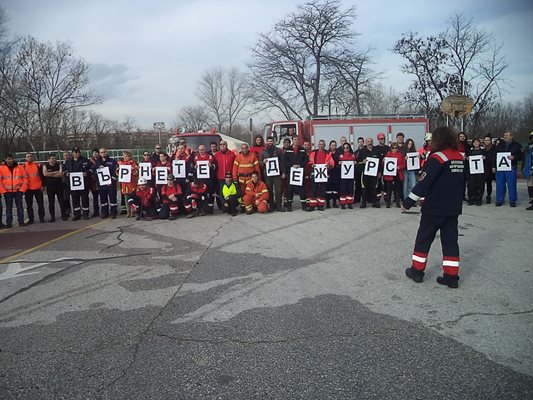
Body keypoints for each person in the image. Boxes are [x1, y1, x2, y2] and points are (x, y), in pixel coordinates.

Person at [402, 126, 465, 289]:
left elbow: (424, 182)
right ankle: (451, 277)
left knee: (424, 239)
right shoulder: (459, 157)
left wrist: (408, 201)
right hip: (453, 208)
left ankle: (417, 272)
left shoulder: (438, 157)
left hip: (435, 207)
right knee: (450, 242)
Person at [493, 131, 522, 207]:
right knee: (500, 184)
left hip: (511, 168)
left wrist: (514, 157)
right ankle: (499, 200)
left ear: (511, 136)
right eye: (504, 135)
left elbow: (521, 156)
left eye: (507, 135)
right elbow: (494, 156)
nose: (505, 137)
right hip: (500, 168)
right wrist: (494, 166)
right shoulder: (499, 145)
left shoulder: (517, 145)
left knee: (511, 185)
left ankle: (512, 201)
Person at [0, 153, 28, 227]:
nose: (11, 160)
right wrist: (3, 191)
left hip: (18, 191)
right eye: (9, 159)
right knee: (9, 208)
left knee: (20, 207)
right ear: (5, 159)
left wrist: (22, 190)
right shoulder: (1, 168)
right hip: (7, 192)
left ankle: (21, 221)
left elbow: (25, 179)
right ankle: (9, 223)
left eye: (12, 158)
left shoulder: (20, 167)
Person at [64, 147, 91, 220]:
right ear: (72, 153)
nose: (77, 153)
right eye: (75, 152)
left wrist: (87, 173)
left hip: (84, 184)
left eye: (78, 152)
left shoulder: (85, 160)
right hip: (73, 185)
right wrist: (66, 173)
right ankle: (76, 214)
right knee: (75, 199)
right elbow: (65, 170)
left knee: (85, 199)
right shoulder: (68, 162)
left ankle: (85, 213)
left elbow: (91, 169)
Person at [308, 139, 335, 211]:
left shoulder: (328, 153)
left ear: (325, 145)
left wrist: (329, 166)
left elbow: (332, 163)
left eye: (322, 144)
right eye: (320, 144)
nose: (321, 145)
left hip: (324, 174)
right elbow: (310, 161)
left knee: (322, 190)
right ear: (318, 145)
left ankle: (321, 205)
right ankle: (312, 206)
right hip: (315, 173)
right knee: (314, 189)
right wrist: (311, 165)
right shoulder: (313, 153)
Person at [260, 136, 285, 212]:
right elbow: (260, 163)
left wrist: (283, 172)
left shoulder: (278, 151)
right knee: (269, 190)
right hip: (268, 174)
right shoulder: (263, 151)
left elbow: (282, 162)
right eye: (268, 141)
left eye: (271, 141)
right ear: (266, 142)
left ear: (273, 142)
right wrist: (263, 162)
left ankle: (279, 205)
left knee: (278, 190)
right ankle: (271, 205)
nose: (270, 142)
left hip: (277, 174)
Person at [92, 148, 119, 218]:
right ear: (99, 153)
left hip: (111, 184)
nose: (103, 153)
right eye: (101, 152)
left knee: (113, 198)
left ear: (106, 152)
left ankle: (113, 212)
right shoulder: (97, 162)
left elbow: (115, 172)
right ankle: (104, 213)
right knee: (103, 200)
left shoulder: (112, 161)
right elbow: (93, 171)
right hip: (102, 184)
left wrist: (111, 180)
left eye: (104, 152)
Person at [283, 135, 308, 211]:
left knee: (302, 189)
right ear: (292, 140)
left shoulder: (302, 150)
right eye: (294, 139)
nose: (296, 141)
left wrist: (300, 165)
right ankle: (289, 206)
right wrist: (291, 165)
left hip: (300, 172)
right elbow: (285, 160)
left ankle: (304, 206)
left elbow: (306, 160)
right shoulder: (288, 150)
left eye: (297, 139)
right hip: (291, 172)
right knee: (290, 189)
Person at [357, 137, 382, 208]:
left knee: (374, 188)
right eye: (368, 141)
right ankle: (363, 203)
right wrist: (363, 161)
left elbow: (380, 162)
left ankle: (374, 202)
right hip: (365, 173)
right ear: (366, 142)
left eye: (371, 141)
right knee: (364, 188)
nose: (369, 143)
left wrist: (380, 172)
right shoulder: (362, 151)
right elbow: (357, 161)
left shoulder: (376, 150)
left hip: (374, 173)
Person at [42, 153, 68, 222]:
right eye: (52, 159)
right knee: (51, 202)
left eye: (55, 158)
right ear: (48, 160)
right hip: (50, 187)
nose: (54, 160)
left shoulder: (59, 165)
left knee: (61, 201)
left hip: (59, 186)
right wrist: (55, 172)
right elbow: (45, 174)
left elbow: (60, 174)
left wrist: (50, 174)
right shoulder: (45, 166)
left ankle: (63, 215)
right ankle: (52, 217)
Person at [192, 145, 216, 212]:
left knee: (209, 193)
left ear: (205, 150)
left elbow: (215, 166)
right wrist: (194, 167)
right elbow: (192, 168)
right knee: (200, 193)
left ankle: (210, 208)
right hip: (200, 179)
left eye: (202, 150)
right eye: (199, 150)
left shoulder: (210, 157)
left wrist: (211, 166)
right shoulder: (196, 158)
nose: (201, 151)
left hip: (208, 179)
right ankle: (201, 208)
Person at [23, 152, 45, 224]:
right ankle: (31, 219)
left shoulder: (38, 166)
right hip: (28, 189)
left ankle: (41, 218)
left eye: (31, 156)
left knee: (40, 204)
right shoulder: (23, 166)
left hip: (38, 188)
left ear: (33, 157)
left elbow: (42, 176)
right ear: (25, 158)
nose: (30, 157)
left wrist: (43, 185)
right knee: (29, 205)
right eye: (28, 156)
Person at [213, 140, 236, 209]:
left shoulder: (232, 154)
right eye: (221, 144)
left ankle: (230, 205)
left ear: (227, 145)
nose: (222, 145)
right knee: (220, 192)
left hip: (229, 177)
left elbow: (235, 165)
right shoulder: (217, 155)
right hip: (219, 176)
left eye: (224, 144)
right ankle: (221, 206)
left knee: (230, 192)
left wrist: (233, 175)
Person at [383, 142, 406, 208]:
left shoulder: (400, 155)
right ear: (391, 148)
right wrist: (383, 161)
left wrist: (399, 167)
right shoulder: (388, 154)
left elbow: (404, 165)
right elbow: (384, 164)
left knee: (397, 189)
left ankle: (397, 202)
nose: (394, 149)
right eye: (393, 148)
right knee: (389, 189)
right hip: (389, 174)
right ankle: (388, 202)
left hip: (398, 173)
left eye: (396, 148)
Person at [118, 150, 138, 218]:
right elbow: (118, 173)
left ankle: (133, 211)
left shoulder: (133, 163)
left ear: (130, 156)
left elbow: (136, 173)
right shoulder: (121, 163)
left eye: (126, 156)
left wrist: (133, 169)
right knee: (126, 197)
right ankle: (128, 211)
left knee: (132, 197)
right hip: (124, 183)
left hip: (131, 182)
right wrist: (118, 169)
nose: (125, 157)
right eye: (124, 156)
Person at [466, 138, 485, 206]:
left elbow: (487, 159)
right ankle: (471, 199)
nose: (476, 143)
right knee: (471, 186)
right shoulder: (470, 151)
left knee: (480, 185)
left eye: (477, 142)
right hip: (472, 171)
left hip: (480, 171)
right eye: (474, 142)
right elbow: (466, 159)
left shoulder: (483, 150)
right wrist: (467, 158)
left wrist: (484, 158)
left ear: (479, 143)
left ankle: (478, 199)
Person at [338, 143, 356, 209]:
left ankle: (349, 203)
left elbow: (355, 165)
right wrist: (339, 164)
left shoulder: (353, 156)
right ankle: (343, 204)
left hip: (351, 176)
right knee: (343, 189)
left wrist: (355, 163)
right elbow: (338, 167)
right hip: (343, 176)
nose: (346, 149)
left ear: (349, 148)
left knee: (350, 189)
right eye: (344, 148)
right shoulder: (341, 156)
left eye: (347, 147)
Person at [325, 140, 340, 208]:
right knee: (328, 188)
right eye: (332, 145)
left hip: (336, 172)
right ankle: (327, 202)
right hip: (328, 172)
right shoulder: (327, 153)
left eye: (335, 145)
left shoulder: (339, 153)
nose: (333, 146)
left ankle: (334, 202)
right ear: (329, 146)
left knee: (335, 189)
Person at [482, 134, 496, 204]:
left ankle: (488, 196)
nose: (487, 141)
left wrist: (494, 166)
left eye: (488, 140)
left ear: (490, 140)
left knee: (489, 183)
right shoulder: (483, 149)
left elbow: (494, 158)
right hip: (484, 168)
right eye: (485, 140)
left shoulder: (494, 148)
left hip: (491, 168)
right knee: (482, 183)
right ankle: (480, 196)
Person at [88, 148, 101, 217]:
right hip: (93, 182)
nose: (95, 154)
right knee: (95, 197)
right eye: (94, 153)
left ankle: (105, 211)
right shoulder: (89, 161)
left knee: (103, 197)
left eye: (96, 152)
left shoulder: (101, 160)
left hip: (101, 181)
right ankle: (96, 211)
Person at [523, 133, 533, 210]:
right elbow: (525, 159)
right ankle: (532, 200)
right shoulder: (528, 148)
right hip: (530, 169)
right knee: (530, 185)